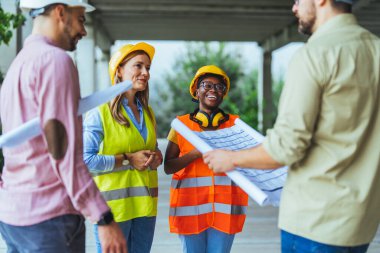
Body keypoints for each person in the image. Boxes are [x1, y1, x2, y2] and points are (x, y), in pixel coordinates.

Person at [203, 0, 380, 252]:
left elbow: (285, 148)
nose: (294, 9)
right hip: (362, 224)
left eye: (298, 1)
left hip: (314, 223)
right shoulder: (376, 49)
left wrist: (230, 158)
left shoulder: (314, 54)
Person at [0, 1, 127, 253]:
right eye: (81, 19)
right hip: (50, 217)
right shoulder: (55, 62)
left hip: (14, 214)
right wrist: (102, 217)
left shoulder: (19, 64)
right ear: (60, 12)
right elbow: (63, 153)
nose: (84, 30)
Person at [83, 42, 162, 253]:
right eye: (138, 66)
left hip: (145, 208)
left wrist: (156, 157)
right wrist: (127, 158)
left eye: (148, 68)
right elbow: (84, 160)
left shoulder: (148, 113)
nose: (145, 73)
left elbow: (152, 150)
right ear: (119, 70)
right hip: (113, 211)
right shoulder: (99, 112)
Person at [164, 65, 248, 253]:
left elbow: (248, 160)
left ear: (223, 93)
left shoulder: (235, 125)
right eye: (207, 85)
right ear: (196, 90)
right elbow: (168, 166)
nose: (213, 90)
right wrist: (195, 154)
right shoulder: (181, 125)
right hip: (190, 209)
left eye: (219, 87)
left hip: (225, 210)